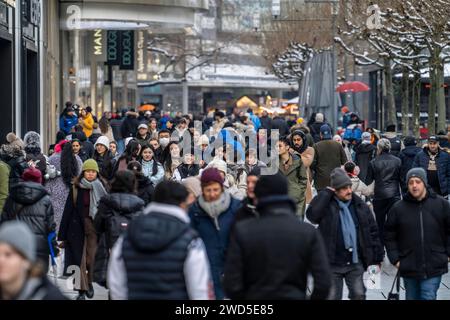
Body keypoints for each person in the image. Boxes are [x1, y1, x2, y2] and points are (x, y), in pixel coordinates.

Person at [224, 173, 332, 300]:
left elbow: (231, 282)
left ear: (259, 196)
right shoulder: (307, 232)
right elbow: (323, 281)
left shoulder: (243, 230)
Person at [108, 181, 214, 300]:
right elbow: (199, 289)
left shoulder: (128, 235)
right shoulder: (190, 240)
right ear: (183, 204)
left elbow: (116, 283)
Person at [306, 168, 383, 300]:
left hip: (354, 261)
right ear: (335, 190)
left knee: (358, 294)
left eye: (349, 186)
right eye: (343, 188)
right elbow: (312, 216)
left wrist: (377, 257)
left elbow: (372, 231)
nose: (349, 191)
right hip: (332, 262)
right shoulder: (327, 204)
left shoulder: (359, 205)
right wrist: (326, 193)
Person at [385, 168, 450, 300]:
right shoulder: (398, 208)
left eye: (418, 181)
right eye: (411, 182)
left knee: (428, 296)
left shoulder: (441, 205)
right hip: (409, 265)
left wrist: (447, 255)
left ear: (424, 183)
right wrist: (395, 259)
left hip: (434, 265)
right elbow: (389, 235)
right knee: (412, 297)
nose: (414, 185)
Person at [58, 159, 108, 300]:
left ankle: (89, 283)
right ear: (83, 172)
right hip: (77, 227)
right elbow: (67, 211)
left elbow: (106, 209)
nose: (90, 174)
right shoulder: (76, 187)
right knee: (78, 260)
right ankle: (81, 290)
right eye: (88, 171)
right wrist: (62, 235)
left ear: (97, 173)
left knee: (91, 259)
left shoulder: (102, 187)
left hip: (94, 227)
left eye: (93, 171)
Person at [188, 168, 241, 299]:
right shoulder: (194, 211)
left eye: (215, 189)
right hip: (205, 268)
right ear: (202, 190)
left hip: (232, 268)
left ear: (222, 188)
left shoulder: (236, 207)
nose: (212, 194)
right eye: (208, 190)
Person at [1, 168, 56, 272]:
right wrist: (54, 249)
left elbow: (4, 222)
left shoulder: (12, 197)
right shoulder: (46, 200)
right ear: (39, 180)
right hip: (39, 247)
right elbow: (50, 228)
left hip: (16, 246)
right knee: (36, 282)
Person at [0, 221, 67, 300]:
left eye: (8, 255)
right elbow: (51, 231)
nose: (1, 260)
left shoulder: (49, 296)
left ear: (26, 261)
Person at [94, 170, 144, 254]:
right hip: (131, 249)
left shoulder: (106, 202)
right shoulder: (139, 204)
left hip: (108, 248)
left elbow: (97, 225)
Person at [366, 138, 402, 244]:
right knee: (394, 223)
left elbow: (369, 180)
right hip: (394, 195)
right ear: (389, 147)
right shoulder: (397, 161)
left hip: (379, 196)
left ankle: (381, 249)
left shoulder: (373, 162)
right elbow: (402, 179)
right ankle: (394, 245)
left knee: (379, 223)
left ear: (379, 148)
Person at [45, 141, 82, 233]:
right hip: (71, 191)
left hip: (54, 192)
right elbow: (80, 175)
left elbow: (47, 175)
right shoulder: (77, 159)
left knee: (55, 219)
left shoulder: (52, 158)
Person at [277, 138, 307, 217]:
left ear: (287, 147)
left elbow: (303, 179)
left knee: (297, 224)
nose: (277, 148)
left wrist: (298, 192)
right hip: (280, 199)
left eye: (279, 146)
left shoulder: (297, 161)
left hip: (297, 199)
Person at [311, 125, 347, 191]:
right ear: (330, 134)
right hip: (336, 180)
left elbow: (312, 164)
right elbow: (345, 161)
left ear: (320, 134)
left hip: (321, 181)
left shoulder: (316, 146)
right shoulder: (338, 145)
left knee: (323, 200)